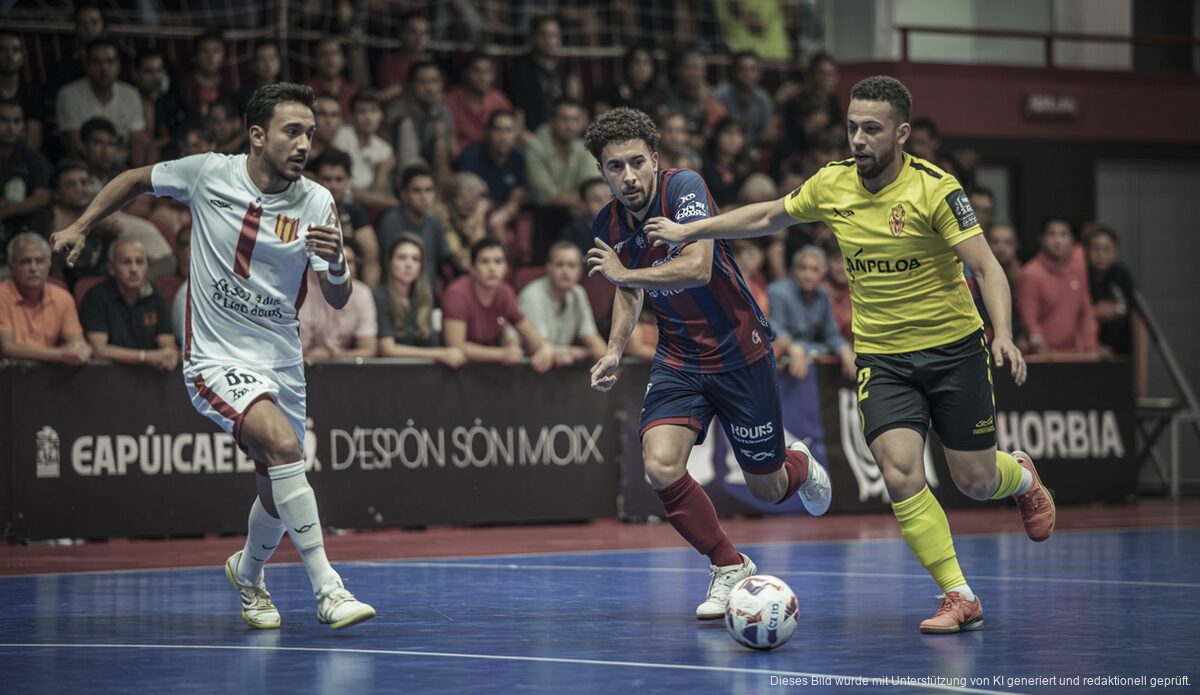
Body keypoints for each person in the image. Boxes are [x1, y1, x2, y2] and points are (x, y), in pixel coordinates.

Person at [645, 76, 1056, 634]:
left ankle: (1023, 478)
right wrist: (689, 229)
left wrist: (1003, 332)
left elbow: (987, 267)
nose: (857, 139)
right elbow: (767, 216)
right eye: (851, 127)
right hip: (883, 359)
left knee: (975, 480)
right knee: (900, 470)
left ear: (902, 134)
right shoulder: (832, 184)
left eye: (871, 129)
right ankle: (958, 595)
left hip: (954, 350)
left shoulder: (936, 190)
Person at [50, 82, 375, 630]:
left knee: (277, 481)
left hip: (282, 359)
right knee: (282, 444)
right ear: (256, 135)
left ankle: (248, 575)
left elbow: (337, 295)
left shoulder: (318, 200)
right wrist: (81, 225)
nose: (303, 144)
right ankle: (328, 587)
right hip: (214, 355)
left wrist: (339, 263)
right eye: (291, 132)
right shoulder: (207, 173)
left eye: (310, 135)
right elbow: (135, 179)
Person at [581, 107, 832, 621]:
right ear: (602, 172)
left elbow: (696, 268)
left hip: (740, 351)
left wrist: (626, 272)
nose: (627, 177)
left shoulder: (685, 188)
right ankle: (727, 564)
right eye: (614, 167)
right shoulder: (607, 222)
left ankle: (798, 462)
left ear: (655, 159)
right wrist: (613, 348)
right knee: (659, 465)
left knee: (768, 484)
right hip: (679, 356)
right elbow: (627, 292)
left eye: (635, 163)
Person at [442, 237, 557, 371]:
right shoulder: (457, 293)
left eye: (498, 262)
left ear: (506, 267)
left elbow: (531, 335)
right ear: (472, 268)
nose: (492, 268)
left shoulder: (505, 292)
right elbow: (456, 346)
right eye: (485, 262)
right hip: (454, 371)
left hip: (489, 371)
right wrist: (500, 354)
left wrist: (545, 347)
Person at [79, 238, 178, 370]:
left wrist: (169, 355)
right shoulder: (96, 297)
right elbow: (99, 350)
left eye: (140, 262)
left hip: (149, 379)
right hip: (106, 377)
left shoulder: (155, 295)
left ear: (147, 268)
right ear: (112, 269)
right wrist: (146, 357)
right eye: (126, 262)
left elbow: (167, 343)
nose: (134, 269)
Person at [374, 233, 466, 368]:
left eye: (415, 259)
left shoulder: (425, 297)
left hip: (420, 375)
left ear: (421, 266)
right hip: (389, 374)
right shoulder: (379, 296)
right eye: (402, 258)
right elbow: (387, 349)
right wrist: (439, 354)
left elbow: (429, 339)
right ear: (390, 262)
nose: (409, 264)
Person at [0, 232, 91, 364]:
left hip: (48, 377)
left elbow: (77, 342)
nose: (33, 268)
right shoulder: (2, 294)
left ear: (49, 265)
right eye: (25, 262)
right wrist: (61, 354)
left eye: (40, 261)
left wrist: (81, 350)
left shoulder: (62, 297)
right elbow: (7, 348)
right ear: (11, 267)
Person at [56, 38, 150, 167]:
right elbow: (76, 146)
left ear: (118, 65)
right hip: (82, 168)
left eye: (110, 61)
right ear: (86, 65)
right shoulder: (69, 94)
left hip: (122, 168)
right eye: (97, 62)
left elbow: (138, 145)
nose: (104, 68)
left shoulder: (131, 94)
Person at [768, 245, 855, 380]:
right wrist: (791, 345)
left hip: (810, 361)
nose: (808, 275)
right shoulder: (778, 291)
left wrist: (844, 349)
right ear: (795, 269)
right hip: (783, 366)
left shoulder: (823, 294)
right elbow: (774, 330)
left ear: (823, 271)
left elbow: (831, 333)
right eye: (803, 268)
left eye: (814, 270)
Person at [1017, 217, 1098, 356]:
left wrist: (1090, 349)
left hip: (1074, 354)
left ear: (1072, 240)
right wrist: (1036, 340)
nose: (1058, 240)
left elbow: (1085, 311)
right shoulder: (1031, 274)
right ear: (1041, 239)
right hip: (1043, 356)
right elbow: (1028, 319)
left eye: (1064, 234)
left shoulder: (1077, 270)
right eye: (1051, 234)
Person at [518, 241, 607, 364]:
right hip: (524, 368)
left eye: (571, 265)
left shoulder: (578, 293)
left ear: (580, 271)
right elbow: (542, 349)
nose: (565, 271)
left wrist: (604, 356)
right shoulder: (532, 295)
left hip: (558, 370)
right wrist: (584, 353)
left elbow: (595, 343)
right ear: (548, 268)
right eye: (559, 265)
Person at [312, 148, 381, 287]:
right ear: (316, 179)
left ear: (348, 181)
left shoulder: (355, 212)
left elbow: (371, 262)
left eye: (339, 179)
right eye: (327, 179)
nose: (333, 185)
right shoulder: (305, 210)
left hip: (348, 288)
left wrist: (365, 295)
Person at [299, 242, 377, 362]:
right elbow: (298, 348)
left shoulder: (362, 293)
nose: (342, 266)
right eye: (334, 261)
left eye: (349, 261)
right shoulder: (303, 289)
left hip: (343, 367)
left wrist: (332, 356)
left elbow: (369, 349)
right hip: (303, 367)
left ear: (357, 267)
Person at [331, 90, 398, 211]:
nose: (368, 117)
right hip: (341, 203)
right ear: (352, 116)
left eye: (374, 110)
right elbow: (347, 189)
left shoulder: (384, 148)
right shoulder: (341, 137)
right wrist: (396, 204)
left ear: (381, 115)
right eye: (362, 112)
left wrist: (382, 170)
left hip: (369, 206)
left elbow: (376, 193)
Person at [0, 98, 52, 238]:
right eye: (4, 120)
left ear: (23, 126)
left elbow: (42, 197)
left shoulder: (34, 158)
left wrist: (8, 211)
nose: (11, 127)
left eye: (16, 121)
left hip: (24, 227)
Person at [444, 52, 513, 155]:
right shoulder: (451, 100)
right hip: (462, 156)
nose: (482, 77)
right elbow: (450, 138)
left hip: (496, 154)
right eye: (476, 71)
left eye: (487, 72)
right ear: (466, 73)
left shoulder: (499, 100)